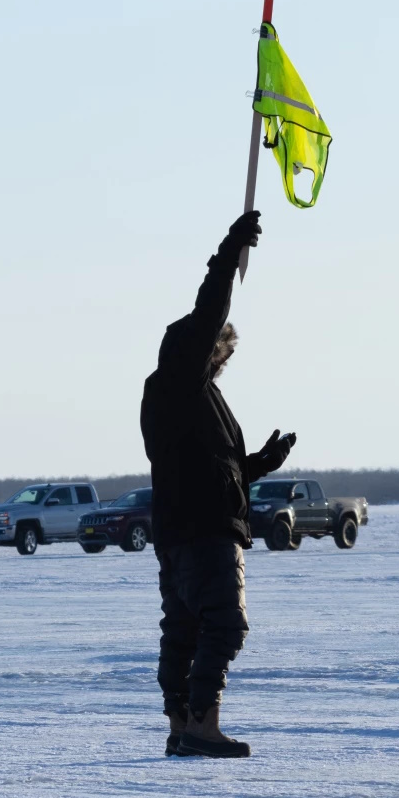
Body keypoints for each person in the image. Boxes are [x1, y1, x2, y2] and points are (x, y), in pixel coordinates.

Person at [141, 211, 295, 759]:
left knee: (184, 632)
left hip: (187, 528)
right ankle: (202, 723)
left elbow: (211, 468)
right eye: (218, 352)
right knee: (226, 625)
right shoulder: (179, 379)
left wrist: (261, 463)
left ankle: (183, 722)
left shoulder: (189, 395)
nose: (221, 362)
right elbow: (211, 308)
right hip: (202, 534)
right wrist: (230, 250)